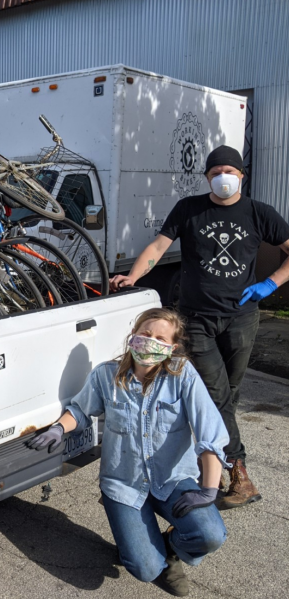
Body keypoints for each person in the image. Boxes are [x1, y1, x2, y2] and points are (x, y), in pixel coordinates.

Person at [110, 145, 289, 509]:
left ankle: (213, 458)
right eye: (216, 170)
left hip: (242, 317)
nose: (224, 176)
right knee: (216, 392)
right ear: (207, 176)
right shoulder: (189, 209)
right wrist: (132, 276)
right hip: (195, 319)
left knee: (229, 393)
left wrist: (270, 284)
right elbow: (158, 248)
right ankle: (238, 471)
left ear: (242, 175)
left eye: (230, 170)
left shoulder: (259, 213)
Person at [29, 308, 228, 596]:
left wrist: (209, 490)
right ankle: (150, 553)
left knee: (210, 535)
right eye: (146, 334)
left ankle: (171, 548)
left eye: (160, 338)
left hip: (172, 481)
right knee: (145, 569)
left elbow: (210, 432)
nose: (150, 341)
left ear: (171, 348)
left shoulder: (182, 375)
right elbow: (81, 410)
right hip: (123, 484)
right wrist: (59, 428)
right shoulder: (106, 375)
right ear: (133, 335)